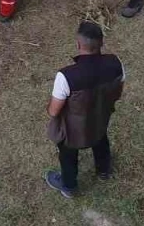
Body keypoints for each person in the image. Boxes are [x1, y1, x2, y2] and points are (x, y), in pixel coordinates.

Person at [44, 20, 124, 198]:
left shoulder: (65, 76)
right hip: (100, 120)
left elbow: (54, 112)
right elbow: (117, 93)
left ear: (78, 44)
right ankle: (104, 171)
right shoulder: (116, 63)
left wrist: (48, 108)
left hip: (73, 131)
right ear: (101, 43)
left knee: (68, 155)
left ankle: (69, 186)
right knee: (101, 140)